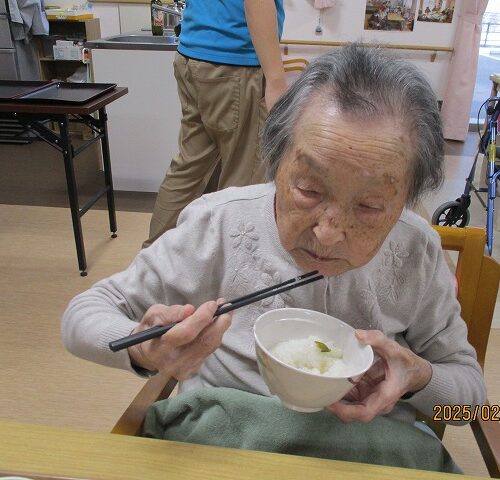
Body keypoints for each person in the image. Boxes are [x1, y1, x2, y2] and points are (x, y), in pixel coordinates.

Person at [62, 44, 485, 463]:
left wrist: (419, 378)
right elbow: (81, 316)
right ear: (276, 160)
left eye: (370, 206)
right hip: (223, 447)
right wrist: (143, 350)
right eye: (309, 189)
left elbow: (473, 404)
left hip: (365, 454)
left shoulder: (416, 250)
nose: (327, 234)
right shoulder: (221, 224)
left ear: (407, 199)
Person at [143, 0, 287, 248]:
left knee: (188, 169)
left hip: (193, 54)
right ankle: (233, 267)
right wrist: (276, 80)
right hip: (235, 62)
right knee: (243, 181)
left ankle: (153, 258)